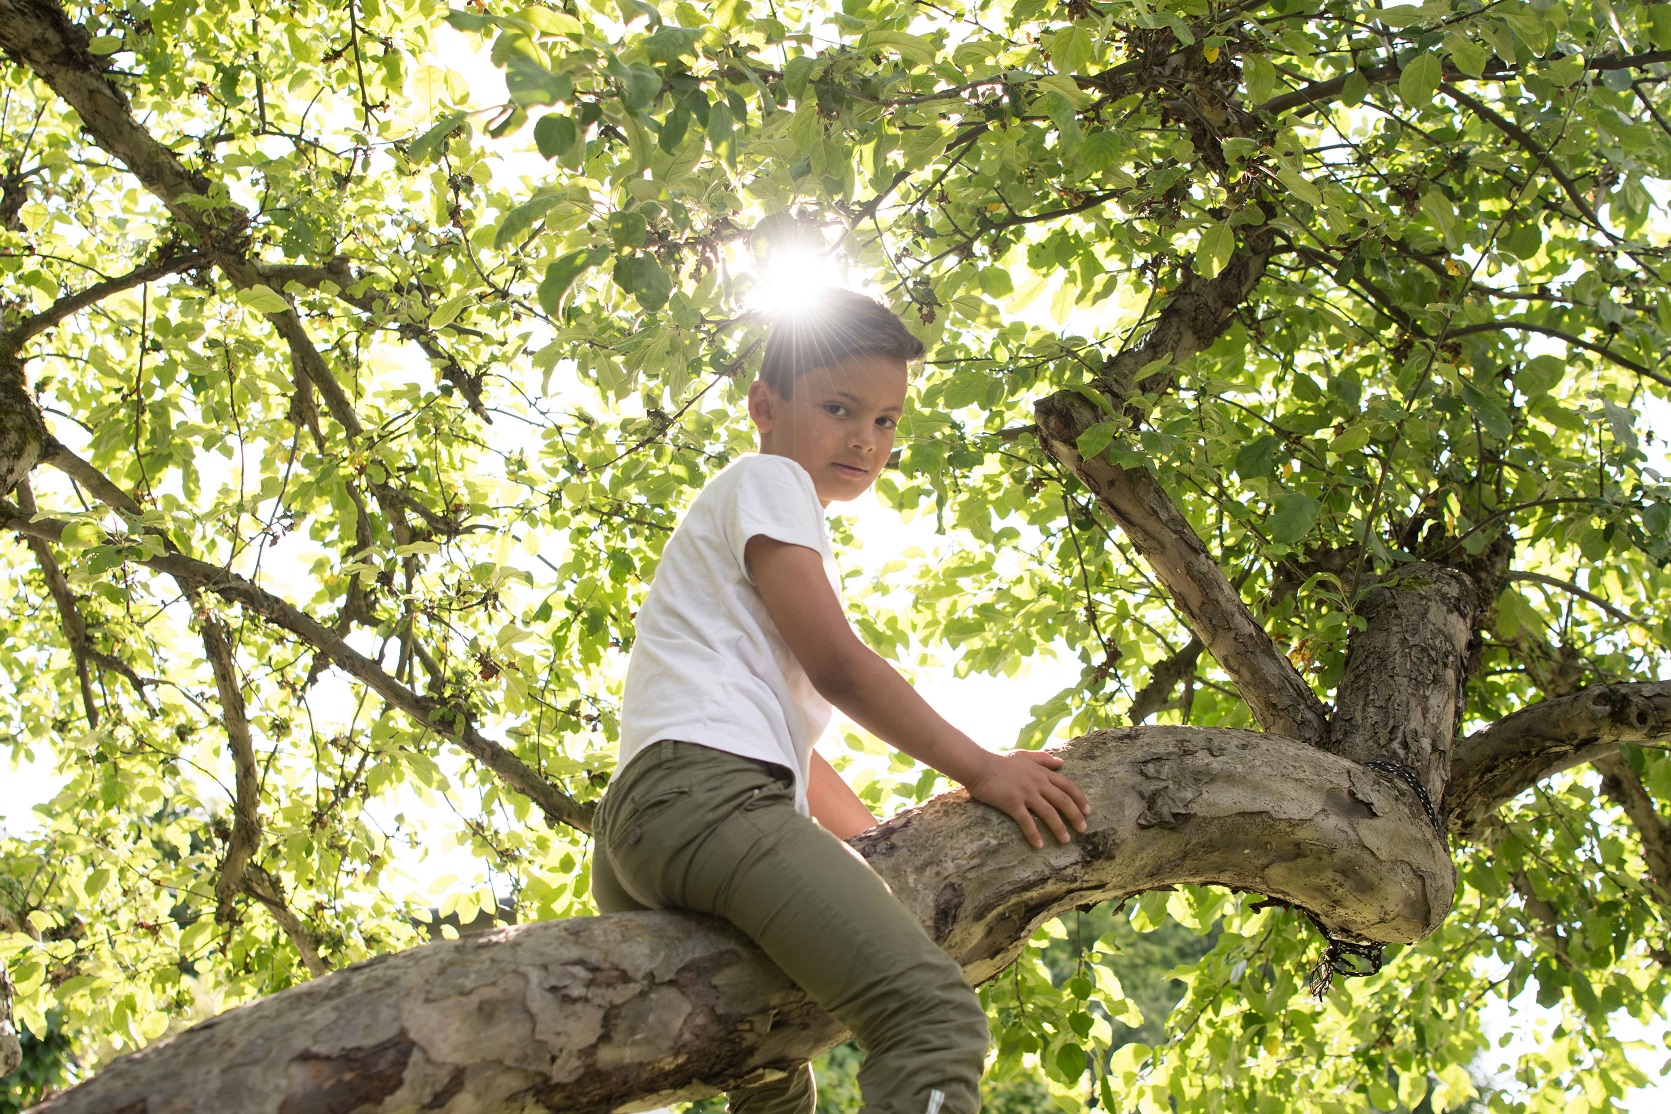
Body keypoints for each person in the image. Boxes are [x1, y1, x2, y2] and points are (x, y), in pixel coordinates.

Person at [590, 289, 1091, 1114]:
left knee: (768, 1061)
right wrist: (984, 771)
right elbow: (840, 670)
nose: (865, 437)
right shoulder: (769, 480)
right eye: (838, 408)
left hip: (645, 832)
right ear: (764, 405)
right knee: (930, 1019)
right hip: (704, 804)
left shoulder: (750, 525)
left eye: (887, 421)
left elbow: (792, 740)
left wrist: (870, 847)